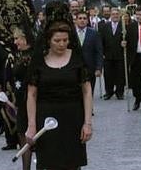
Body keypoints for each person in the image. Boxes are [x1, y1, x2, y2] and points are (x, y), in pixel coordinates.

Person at [26, 20, 92, 169]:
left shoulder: (77, 58)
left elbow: (87, 91)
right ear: (49, 41)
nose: (62, 44)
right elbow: (31, 94)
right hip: (47, 121)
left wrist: (87, 123)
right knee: (49, 163)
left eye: (65, 40)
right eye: (57, 40)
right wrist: (31, 125)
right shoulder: (38, 61)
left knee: (72, 164)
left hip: (73, 118)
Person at [9, 25, 35, 169]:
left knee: (29, 138)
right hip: (20, 101)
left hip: (30, 101)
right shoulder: (19, 55)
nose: (15, 42)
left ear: (25, 39)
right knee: (22, 137)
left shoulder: (33, 56)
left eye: (17, 38)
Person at [125, 6, 141, 110]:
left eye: (140, 15)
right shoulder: (131, 26)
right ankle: (138, 98)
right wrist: (124, 43)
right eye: (137, 15)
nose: (138, 17)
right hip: (135, 56)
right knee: (135, 80)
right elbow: (126, 39)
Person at [75, 11, 103, 96]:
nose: (82, 20)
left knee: (89, 93)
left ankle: (89, 109)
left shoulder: (94, 33)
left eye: (84, 18)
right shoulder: (71, 33)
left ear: (87, 21)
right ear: (76, 20)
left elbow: (99, 52)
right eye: (80, 18)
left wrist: (98, 68)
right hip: (75, 67)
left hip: (90, 68)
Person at [100, 8, 126, 100]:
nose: (115, 16)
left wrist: (125, 43)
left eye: (116, 14)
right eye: (113, 14)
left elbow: (128, 39)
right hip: (108, 54)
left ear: (119, 15)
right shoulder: (105, 26)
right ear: (111, 15)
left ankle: (120, 92)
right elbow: (101, 40)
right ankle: (109, 92)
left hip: (120, 54)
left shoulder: (124, 26)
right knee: (108, 74)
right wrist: (102, 53)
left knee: (120, 74)